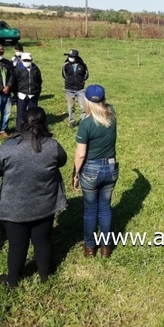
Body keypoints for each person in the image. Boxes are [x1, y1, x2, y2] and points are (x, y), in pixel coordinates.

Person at [0, 107, 67, 288]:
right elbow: (62, 160)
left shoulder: (9, 147)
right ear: (44, 123)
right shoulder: (52, 145)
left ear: (23, 122)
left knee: (17, 244)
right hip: (45, 204)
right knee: (43, 240)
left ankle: (13, 279)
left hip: (14, 206)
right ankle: (45, 274)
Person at [73, 84, 118, 259]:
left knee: (91, 210)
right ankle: (106, 247)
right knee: (105, 208)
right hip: (111, 167)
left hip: (91, 170)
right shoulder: (112, 114)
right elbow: (107, 106)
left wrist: (76, 174)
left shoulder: (86, 125)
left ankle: (90, 247)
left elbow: (81, 154)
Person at [13, 52, 42, 132]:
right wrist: (16, 93)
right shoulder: (18, 69)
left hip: (32, 95)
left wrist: (37, 92)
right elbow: (14, 82)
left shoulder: (35, 69)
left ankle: (32, 129)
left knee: (33, 115)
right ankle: (19, 130)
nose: (26, 62)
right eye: (25, 60)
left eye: (28, 60)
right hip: (21, 95)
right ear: (22, 60)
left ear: (31, 60)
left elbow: (39, 81)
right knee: (21, 114)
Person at [63, 49, 89, 128]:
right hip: (69, 89)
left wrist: (80, 82)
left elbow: (86, 75)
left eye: (71, 56)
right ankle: (72, 122)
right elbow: (64, 75)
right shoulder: (65, 65)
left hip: (80, 89)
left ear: (76, 57)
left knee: (83, 107)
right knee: (71, 107)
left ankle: (84, 122)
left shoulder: (82, 65)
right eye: (69, 56)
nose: (69, 57)